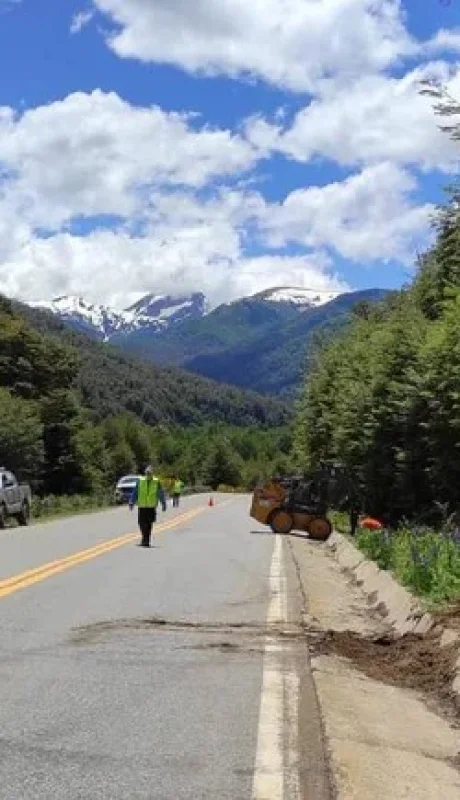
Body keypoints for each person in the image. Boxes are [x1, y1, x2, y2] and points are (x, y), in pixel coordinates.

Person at [129, 466, 167, 547]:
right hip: (142, 506)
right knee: (141, 523)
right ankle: (145, 539)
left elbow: (160, 493)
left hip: (151, 506)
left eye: (150, 472)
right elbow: (135, 492)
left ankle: (146, 541)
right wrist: (132, 502)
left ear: (152, 473)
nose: (148, 474)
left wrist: (163, 503)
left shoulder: (156, 482)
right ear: (145, 473)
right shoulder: (140, 481)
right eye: (147, 472)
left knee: (149, 524)